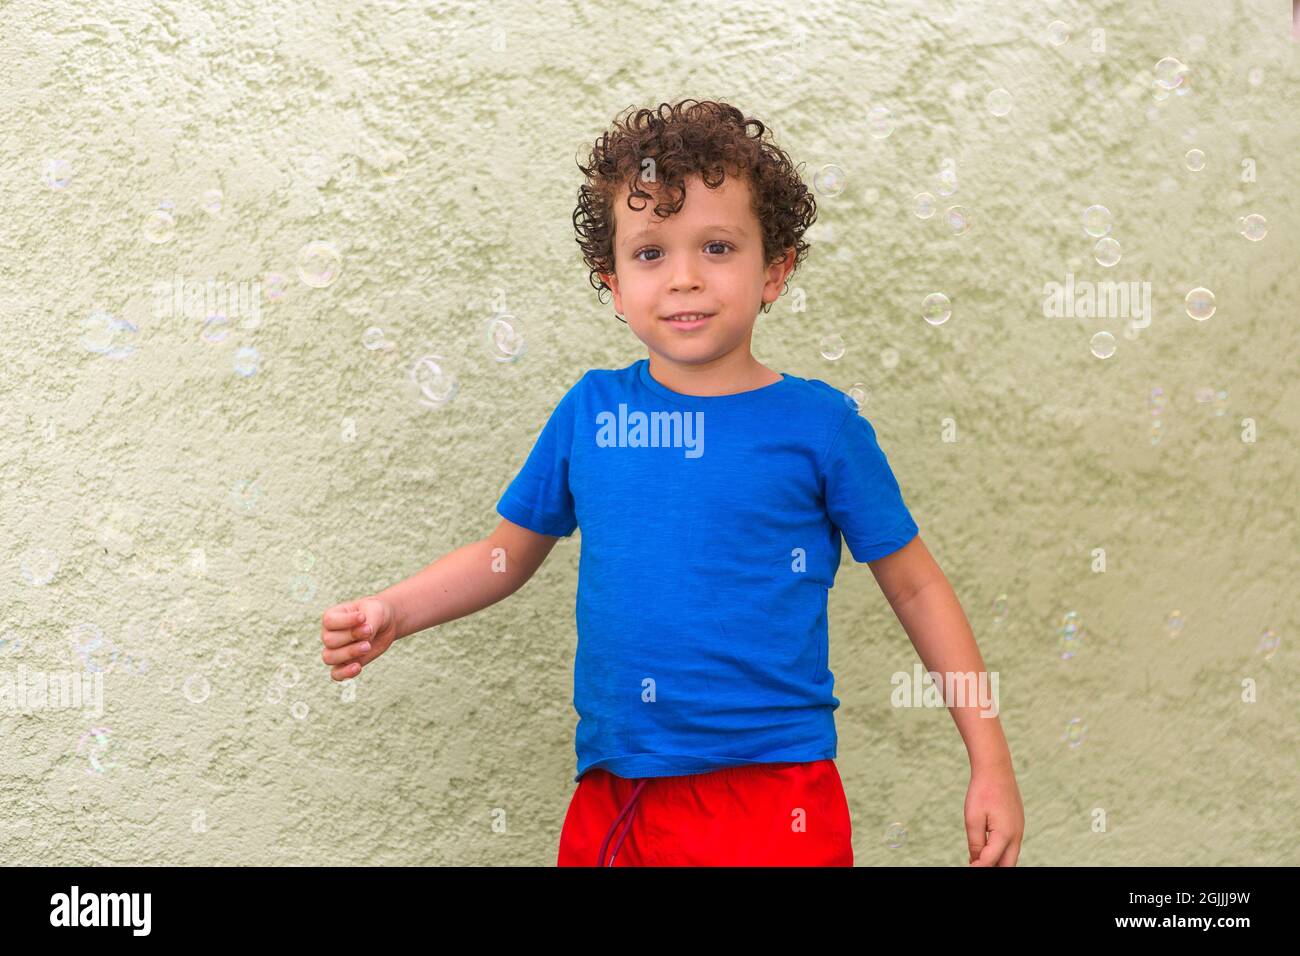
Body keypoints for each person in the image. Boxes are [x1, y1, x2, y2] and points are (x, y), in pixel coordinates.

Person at [319, 99, 1024, 867]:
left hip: (773, 800)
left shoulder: (821, 427)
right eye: (651, 253)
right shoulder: (591, 414)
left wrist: (990, 761)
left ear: (775, 272)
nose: (684, 278)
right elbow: (504, 556)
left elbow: (918, 588)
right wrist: (396, 610)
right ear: (613, 284)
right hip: (616, 799)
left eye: (717, 247)